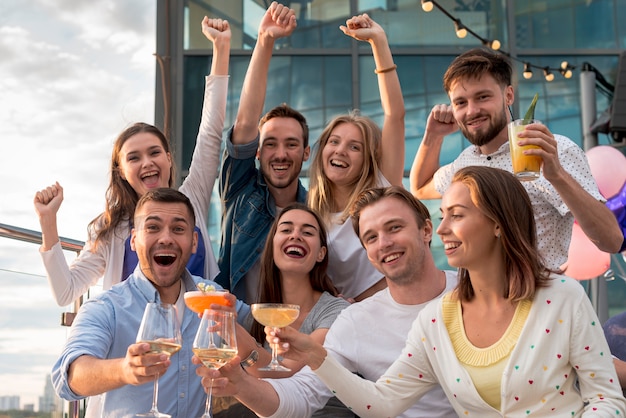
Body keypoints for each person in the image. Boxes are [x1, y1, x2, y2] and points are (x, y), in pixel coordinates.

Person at [270, 166, 626, 417]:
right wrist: (316, 357)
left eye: (456, 215)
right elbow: (382, 403)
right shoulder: (436, 320)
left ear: (498, 223)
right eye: (442, 216)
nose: (442, 229)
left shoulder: (562, 296)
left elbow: (606, 399)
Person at [196, 186, 457, 418]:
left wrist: (249, 353)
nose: (385, 243)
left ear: (426, 229)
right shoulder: (356, 321)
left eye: (394, 228)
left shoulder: (475, 291)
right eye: (371, 237)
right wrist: (241, 384)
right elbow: (301, 394)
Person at [33, 17, 232, 306]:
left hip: (199, 335)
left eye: (154, 152)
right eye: (134, 158)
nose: (146, 163)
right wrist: (47, 221)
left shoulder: (192, 197)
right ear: (122, 172)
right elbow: (65, 293)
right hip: (136, 344)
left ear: (168, 158)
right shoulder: (111, 228)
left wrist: (221, 49)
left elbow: (211, 129)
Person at [410, 47, 623, 270]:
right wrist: (433, 136)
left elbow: (612, 239)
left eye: (482, 97)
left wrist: (557, 174)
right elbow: (420, 187)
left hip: (540, 299)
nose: (472, 111)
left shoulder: (551, 149)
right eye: (460, 102)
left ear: (508, 96)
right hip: (479, 300)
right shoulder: (465, 162)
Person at [51, 188, 252, 418]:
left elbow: (263, 331)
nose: (166, 238)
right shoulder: (107, 306)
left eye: (178, 229)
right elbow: (69, 377)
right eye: (153, 227)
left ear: (194, 241)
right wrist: (125, 370)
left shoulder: (212, 297)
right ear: (134, 241)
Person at [209, 203, 351, 416]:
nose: (296, 236)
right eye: (286, 229)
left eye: (307, 232)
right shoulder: (254, 317)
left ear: (321, 253)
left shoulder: (337, 312)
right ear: (272, 247)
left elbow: (288, 376)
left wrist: (235, 334)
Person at [307, 13, 405, 301]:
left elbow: (395, 115)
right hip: (339, 324)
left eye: (354, 147)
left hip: (388, 312)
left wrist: (378, 42)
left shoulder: (381, 188)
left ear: (367, 158)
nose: (340, 151)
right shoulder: (313, 211)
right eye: (334, 142)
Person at [215, 2, 309, 303]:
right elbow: (245, 120)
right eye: (270, 143)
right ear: (257, 151)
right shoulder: (240, 189)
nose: (280, 153)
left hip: (295, 336)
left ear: (306, 152)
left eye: (291, 144)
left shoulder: (317, 210)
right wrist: (266, 40)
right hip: (236, 336)